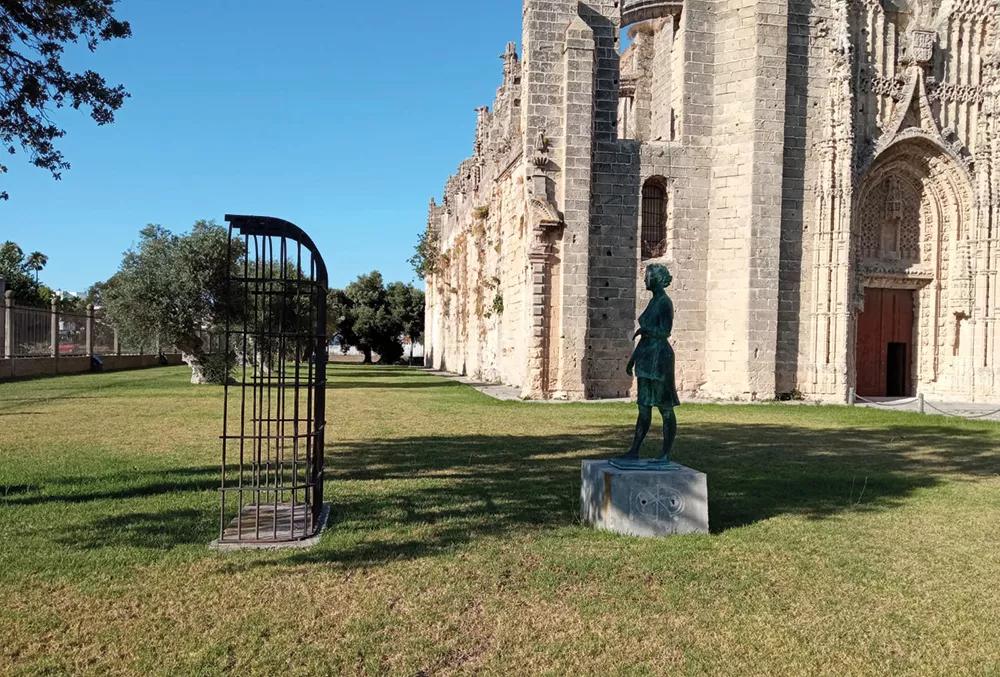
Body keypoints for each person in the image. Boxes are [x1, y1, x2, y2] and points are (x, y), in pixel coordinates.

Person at [622, 263, 680, 461]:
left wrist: (645, 331)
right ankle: (634, 450)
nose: (645, 280)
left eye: (648, 277)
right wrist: (632, 361)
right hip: (647, 357)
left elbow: (665, 331)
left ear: (657, 279)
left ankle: (665, 453)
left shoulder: (665, 302)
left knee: (665, 407)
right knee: (644, 406)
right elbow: (645, 336)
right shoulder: (654, 301)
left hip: (660, 358)